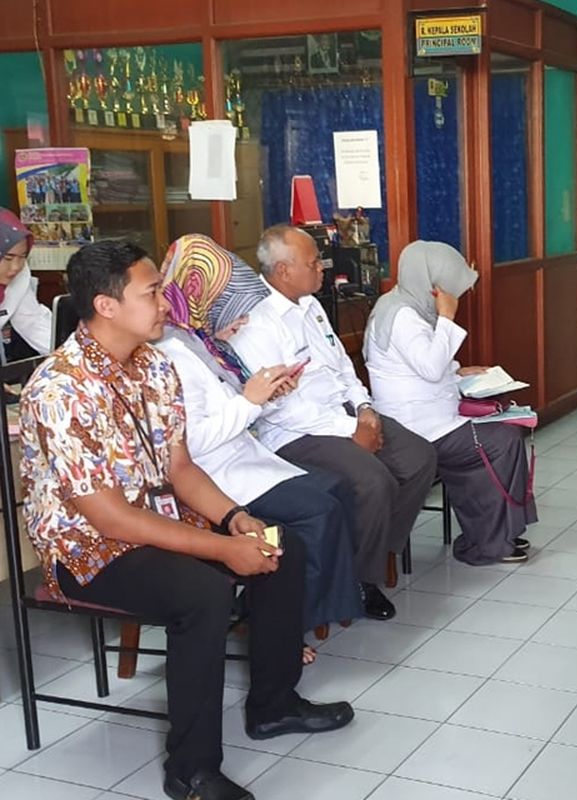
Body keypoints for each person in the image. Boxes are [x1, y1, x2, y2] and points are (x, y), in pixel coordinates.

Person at [20, 241, 353, 800]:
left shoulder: (154, 365)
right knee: (202, 592)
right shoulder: (60, 388)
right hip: (89, 548)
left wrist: (234, 518)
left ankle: (273, 706)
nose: (165, 303)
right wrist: (220, 550)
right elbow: (110, 517)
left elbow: (179, 465)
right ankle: (191, 771)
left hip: (153, 520)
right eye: (151, 292)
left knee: (282, 545)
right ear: (106, 306)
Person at [156, 234, 364, 646]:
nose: (242, 322)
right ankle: (288, 627)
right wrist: (252, 401)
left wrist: (267, 395)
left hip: (246, 459)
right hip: (215, 478)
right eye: (228, 311)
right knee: (319, 511)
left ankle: (306, 608)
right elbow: (192, 442)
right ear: (200, 301)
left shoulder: (203, 343)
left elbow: (240, 406)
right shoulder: (172, 355)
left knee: (341, 488)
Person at [228, 225, 437, 621]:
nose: (323, 269)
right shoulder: (255, 322)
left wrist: (365, 409)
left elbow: (342, 364)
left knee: (420, 457)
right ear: (284, 271)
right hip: (296, 433)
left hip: (343, 414)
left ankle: (367, 555)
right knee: (374, 481)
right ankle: (361, 580)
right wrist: (351, 433)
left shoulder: (310, 304)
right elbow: (278, 408)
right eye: (313, 263)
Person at [364, 241, 536, 566]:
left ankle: (496, 533)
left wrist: (459, 372)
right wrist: (447, 317)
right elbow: (429, 367)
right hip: (416, 429)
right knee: (502, 441)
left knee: (506, 431)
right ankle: (489, 542)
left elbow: (418, 367)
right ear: (431, 285)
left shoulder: (407, 305)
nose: (453, 296)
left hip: (433, 417)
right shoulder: (402, 315)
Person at [0, 208, 53, 360]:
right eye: (8, 258)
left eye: (23, 257)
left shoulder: (18, 275)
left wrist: (75, 359)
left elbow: (33, 322)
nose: (16, 267)